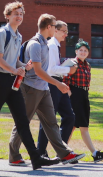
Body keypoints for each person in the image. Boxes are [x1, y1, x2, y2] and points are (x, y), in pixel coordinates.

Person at [0, 2, 61, 171]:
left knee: (22, 121)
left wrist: (24, 66)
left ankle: (36, 159)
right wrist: (15, 69)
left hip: (13, 82)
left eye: (21, 14)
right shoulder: (1, 33)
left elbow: (14, 60)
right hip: (0, 81)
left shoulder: (18, 36)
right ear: (7, 16)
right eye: (15, 14)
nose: (19, 17)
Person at [8, 14, 85, 166]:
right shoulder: (35, 44)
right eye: (54, 26)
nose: (56, 29)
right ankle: (14, 155)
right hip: (31, 88)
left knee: (51, 122)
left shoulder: (45, 44)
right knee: (23, 122)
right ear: (48, 27)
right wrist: (57, 84)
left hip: (43, 89)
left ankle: (64, 154)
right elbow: (39, 71)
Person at [63, 39, 103, 163]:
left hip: (84, 95)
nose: (83, 52)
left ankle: (92, 154)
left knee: (81, 126)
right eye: (80, 50)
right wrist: (68, 92)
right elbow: (65, 77)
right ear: (76, 51)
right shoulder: (72, 63)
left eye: (85, 50)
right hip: (74, 94)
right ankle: (65, 153)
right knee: (73, 125)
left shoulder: (87, 65)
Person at [36, 20, 77, 156]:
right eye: (64, 31)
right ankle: (41, 152)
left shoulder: (56, 45)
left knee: (69, 117)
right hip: (53, 84)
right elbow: (50, 69)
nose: (66, 34)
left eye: (66, 31)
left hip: (58, 84)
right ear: (56, 31)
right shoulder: (52, 45)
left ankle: (61, 151)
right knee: (48, 118)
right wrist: (68, 69)